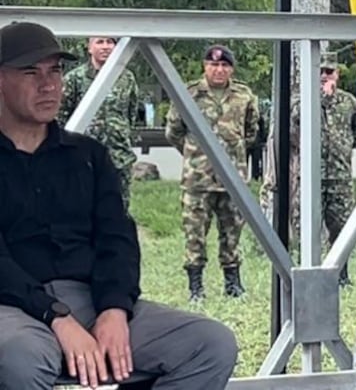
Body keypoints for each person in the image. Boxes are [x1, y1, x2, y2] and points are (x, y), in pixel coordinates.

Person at [0, 21, 239, 389]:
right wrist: (55, 316)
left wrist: (114, 308)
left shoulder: (87, 156)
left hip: (88, 298)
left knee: (210, 344)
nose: (48, 85)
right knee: (20, 358)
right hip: (12, 305)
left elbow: (117, 238)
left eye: (55, 71)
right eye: (31, 72)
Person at [260, 52, 356, 286]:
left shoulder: (349, 103)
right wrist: (320, 99)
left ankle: (341, 275)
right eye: (320, 72)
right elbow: (290, 128)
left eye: (329, 72)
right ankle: (307, 272)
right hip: (309, 177)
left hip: (339, 178)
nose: (324, 76)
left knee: (341, 228)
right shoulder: (300, 101)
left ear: (337, 74)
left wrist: (343, 147)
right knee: (306, 228)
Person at [165, 44, 260, 302]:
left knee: (232, 234)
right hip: (198, 180)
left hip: (232, 180)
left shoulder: (244, 95)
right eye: (213, 64)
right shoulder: (188, 94)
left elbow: (251, 132)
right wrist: (195, 155)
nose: (219, 70)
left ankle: (233, 284)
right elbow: (173, 132)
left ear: (231, 69)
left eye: (224, 65)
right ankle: (196, 288)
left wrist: (232, 154)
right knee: (195, 235)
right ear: (204, 66)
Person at [59, 36, 141, 210]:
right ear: (89, 47)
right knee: (82, 208)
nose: (105, 47)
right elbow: (61, 117)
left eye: (110, 42)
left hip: (118, 157)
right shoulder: (74, 78)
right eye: (100, 42)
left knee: (119, 209)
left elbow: (131, 113)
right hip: (83, 157)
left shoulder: (127, 78)